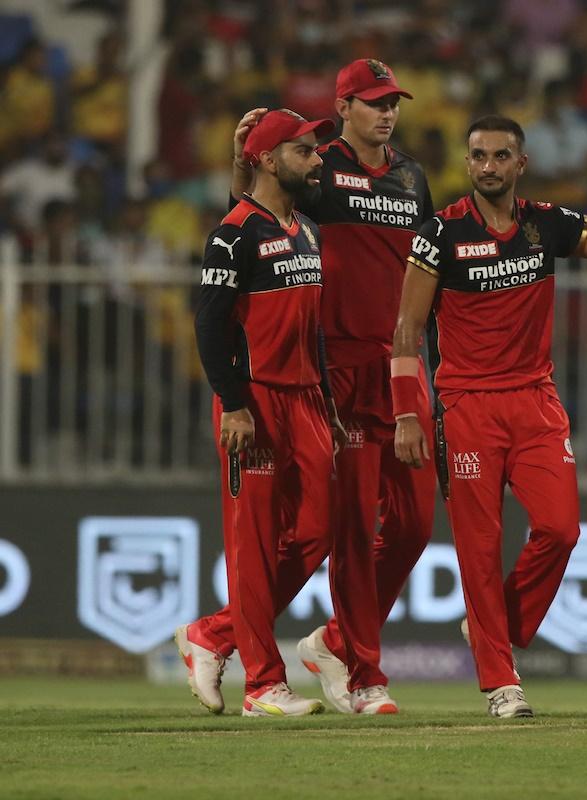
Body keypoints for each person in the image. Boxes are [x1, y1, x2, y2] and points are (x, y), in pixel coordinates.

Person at [391, 115, 587, 718]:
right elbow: (406, 330)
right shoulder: (440, 234)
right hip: (467, 406)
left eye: (500, 155)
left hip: (535, 403)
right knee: (479, 551)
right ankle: (501, 683)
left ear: (520, 164)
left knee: (561, 529)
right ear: (468, 162)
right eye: (478, 154)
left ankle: (492, 628)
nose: (488, 166)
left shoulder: (546, 223)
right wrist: (409, 414)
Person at [177, 59, 435, 716]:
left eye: (393, 101)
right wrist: (236, 399)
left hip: (379, 372)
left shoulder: (410, 179)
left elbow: (426, 270)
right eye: (374, 101)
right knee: (333, 529)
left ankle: (248, 635)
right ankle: (323, 673)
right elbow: (254, 215)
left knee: (405, 526)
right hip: (313, 377)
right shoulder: (314, 178)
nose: (387, 111)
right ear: (345, 105)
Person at [184, 109, 344, 716]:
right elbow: (209, 324)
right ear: (271, 160)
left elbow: (314, 330)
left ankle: (215, 634)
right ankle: (262, 685)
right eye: (305, 151)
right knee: (250, 545)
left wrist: (326, 400)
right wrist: (238, 403)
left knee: (316, 528)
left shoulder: (303, 227)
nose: (318, 159)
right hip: (254, 399)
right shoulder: (233, 232)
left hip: (304, 399)